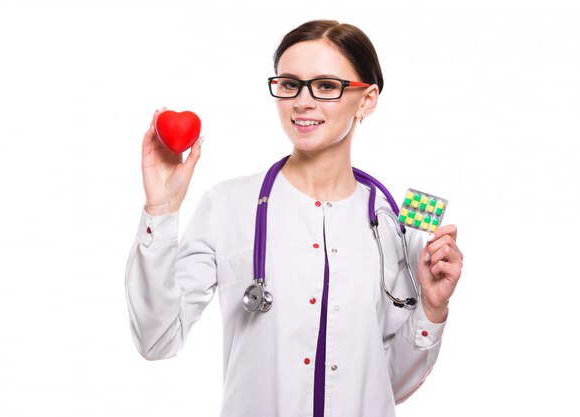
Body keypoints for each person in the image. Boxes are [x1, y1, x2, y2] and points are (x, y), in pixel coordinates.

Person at [125, 19, 464, 417]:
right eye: (289, 84)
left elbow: (387, 383)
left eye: (325, 86)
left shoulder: (397, 226)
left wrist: (432, 307)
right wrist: (161, 212)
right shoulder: (228, 205)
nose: (303, 102)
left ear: (367, 100)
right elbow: (156, 339)